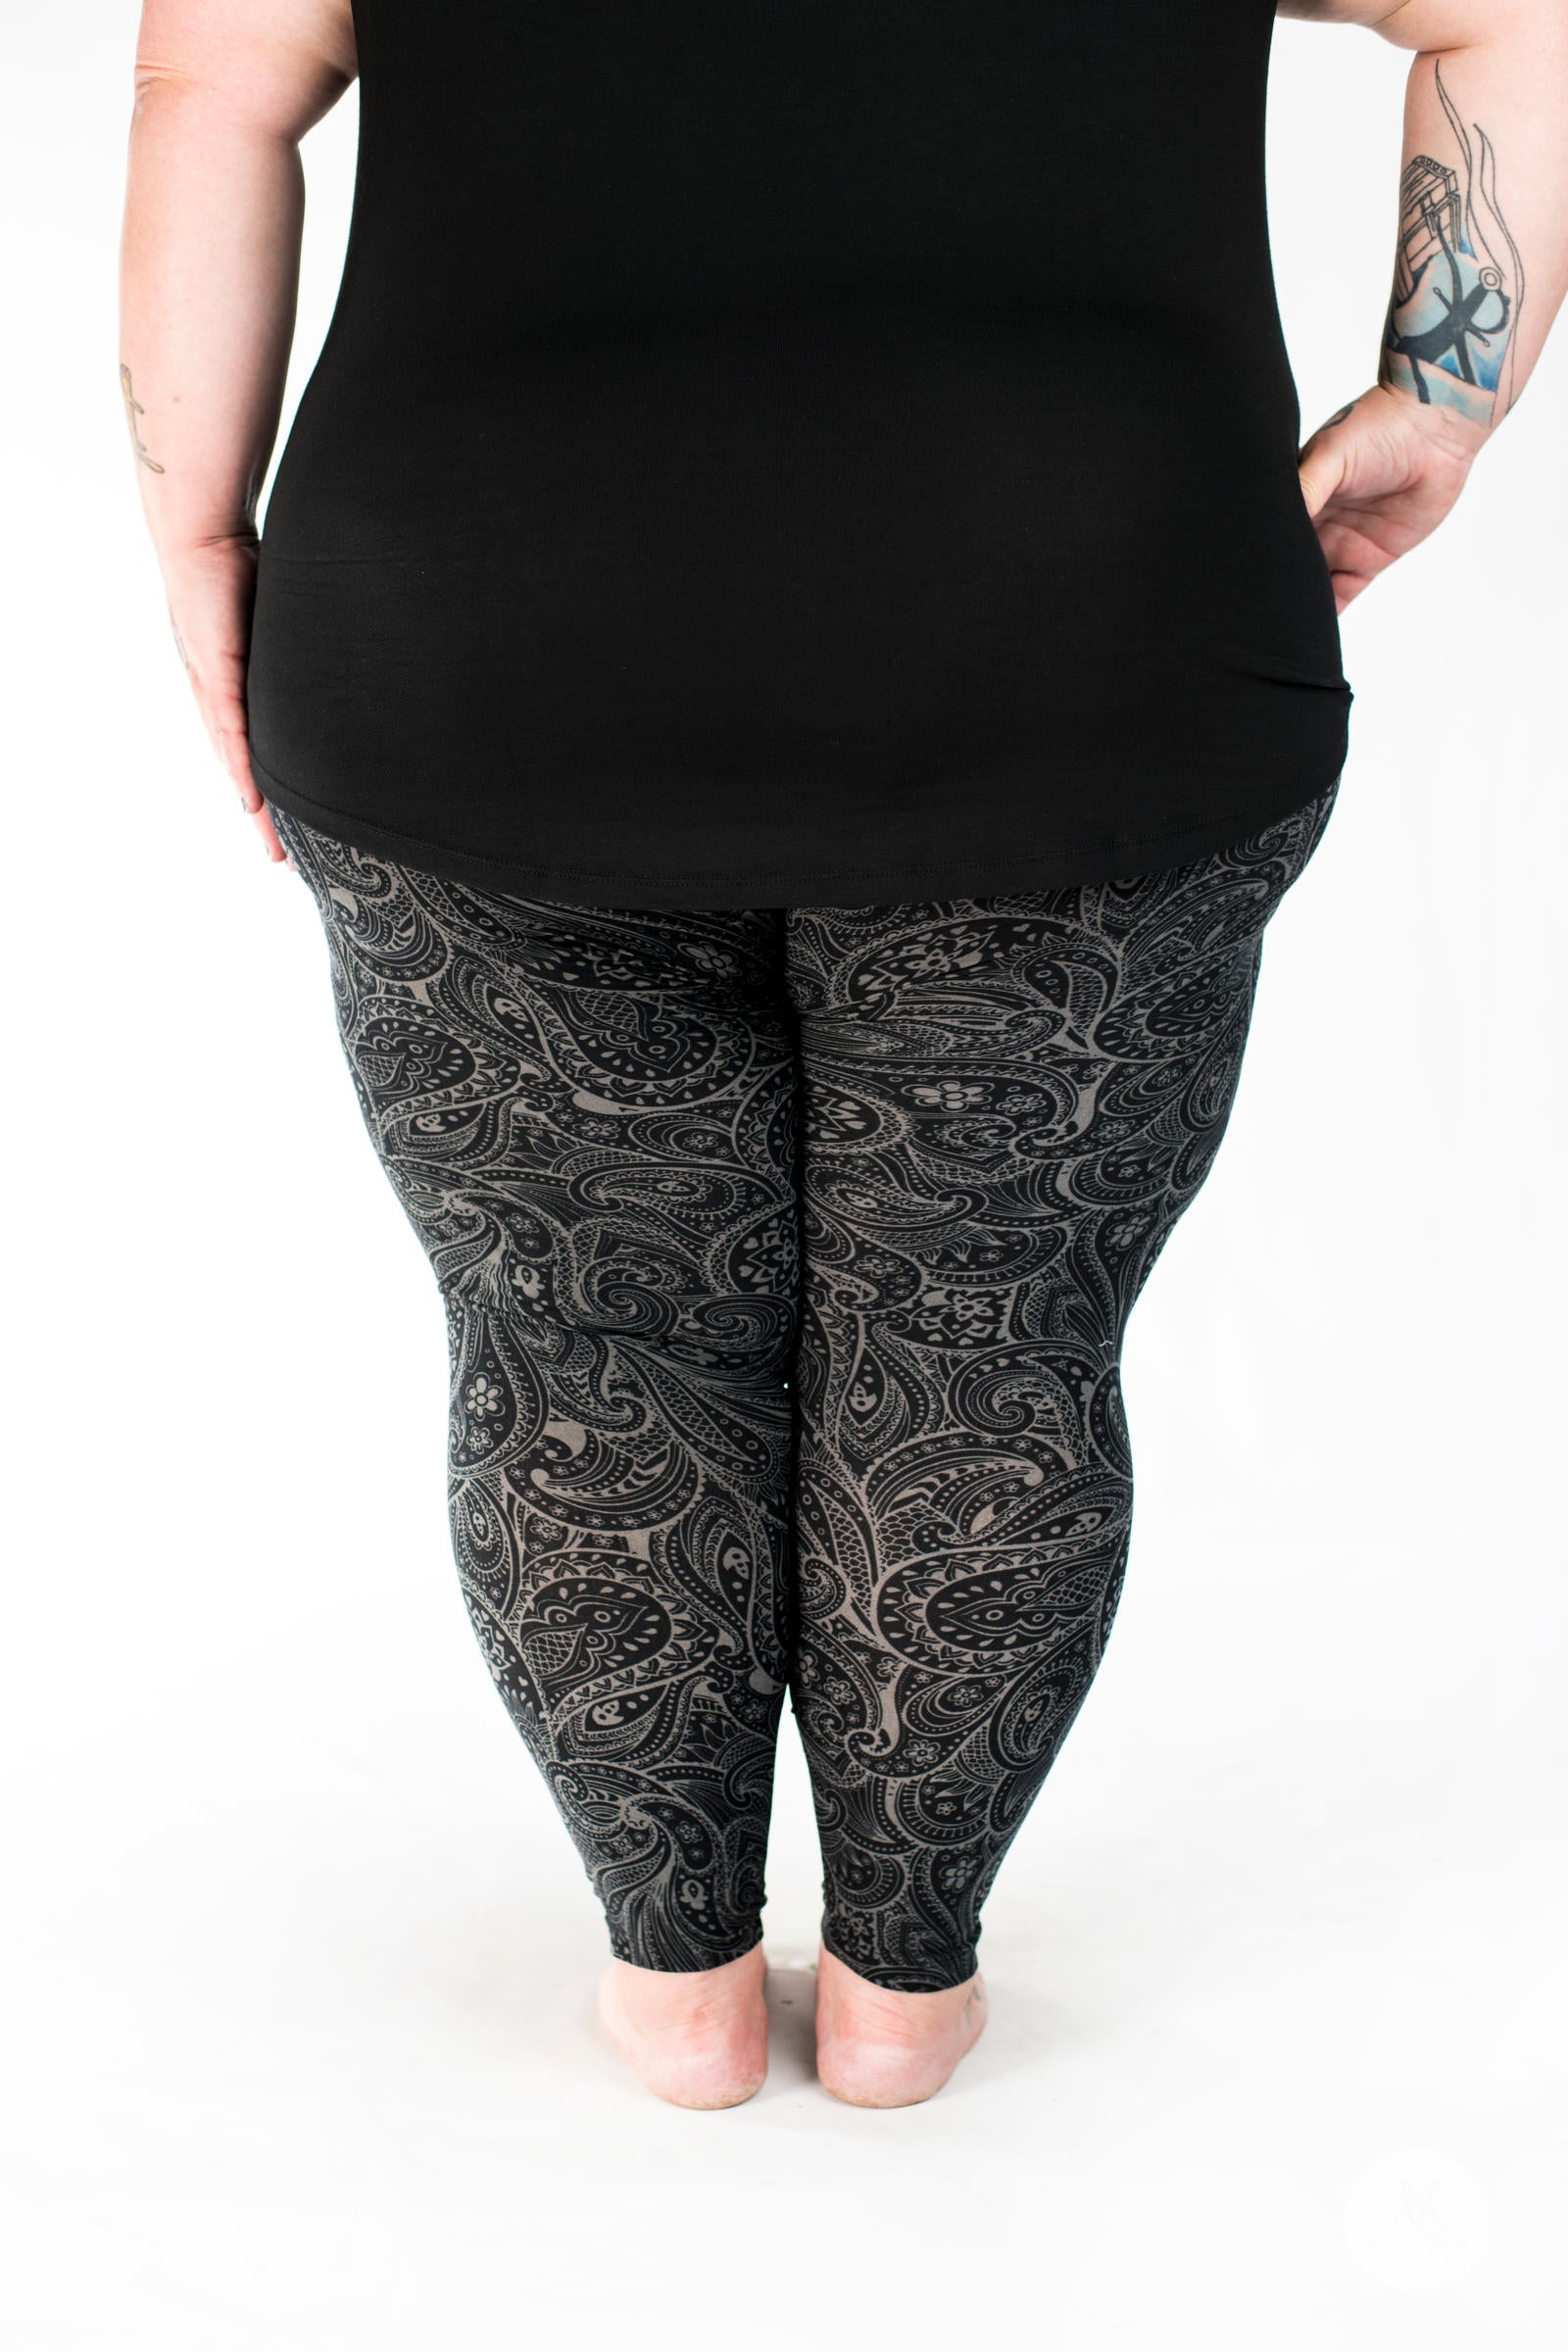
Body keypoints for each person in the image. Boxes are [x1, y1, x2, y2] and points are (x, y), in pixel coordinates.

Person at [120, 0, 1567, 2110]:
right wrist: (1443, 405)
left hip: (482, 627)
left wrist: (196, 531)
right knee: (984, 1345)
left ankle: (678, 1995)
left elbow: (213, 90)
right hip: (1088, 623)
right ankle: (903, 2002)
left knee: (590, 1346)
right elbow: (1506, 20)